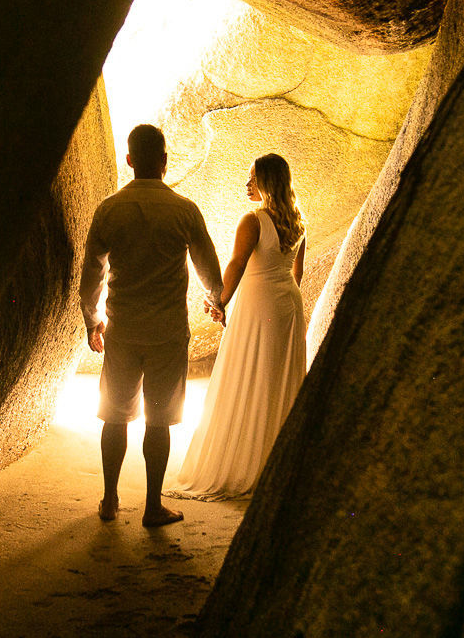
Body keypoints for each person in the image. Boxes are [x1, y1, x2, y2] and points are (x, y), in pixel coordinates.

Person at [79, 124, 224, 527]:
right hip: (166, 332)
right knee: (158, 421)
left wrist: (93, 322)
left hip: (122, 331)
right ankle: (153, 506)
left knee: (114, 415)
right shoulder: (184, 209)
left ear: (129, 160)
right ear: (164, 160)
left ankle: (109, 499)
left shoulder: (110, 209)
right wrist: (216, 300)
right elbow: (207, 266)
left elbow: (92, 272)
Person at [172, 153, 307, 500]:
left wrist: (219, 301)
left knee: (248, 374)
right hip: (289, 306)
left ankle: (244, 461)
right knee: (277, 381)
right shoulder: (300, 222)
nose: (246, 184)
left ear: (267, 182)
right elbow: (297, 275)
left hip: (259, 305)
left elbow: (236, 263)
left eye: (252, 178)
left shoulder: (253, 220)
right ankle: (272, 461)